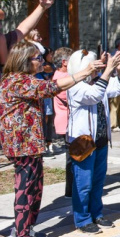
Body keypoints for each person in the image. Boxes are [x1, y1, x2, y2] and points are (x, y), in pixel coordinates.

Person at [0, 41, 102, 237]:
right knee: (26, 189)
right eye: (37, 58)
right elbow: (52, 87)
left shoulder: (20, 80)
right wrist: (83, 73)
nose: (41, 62)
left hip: (29, 145)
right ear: (24, 60)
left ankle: (26, 229)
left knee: (35, 188)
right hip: (22, 146)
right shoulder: (18, 82)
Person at [0, 0, 56, 237]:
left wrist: (42, 7)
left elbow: (21, 29)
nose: (1, 27)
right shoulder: (4, 64)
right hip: (2, 130)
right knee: (21, 183)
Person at [66, 49, 120, 234]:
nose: (96, 70)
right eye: (93, 67)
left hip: (100, 140)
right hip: (82, 142)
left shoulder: (97, 82)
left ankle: (96, 213)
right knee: (83, 183)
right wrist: (108, 70)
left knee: (98, 181)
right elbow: (94, 94)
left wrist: (119, 71)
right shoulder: (75, 85)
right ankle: (82, 219)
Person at [51, 47, 74, 198]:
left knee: (71, 156)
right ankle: (71, 191)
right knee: (71, 158)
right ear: (65, 62)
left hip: (66, 120)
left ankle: (70, 190)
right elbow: (70, 96)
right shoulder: (61, 77)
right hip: (66, 121)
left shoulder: (62, 75)